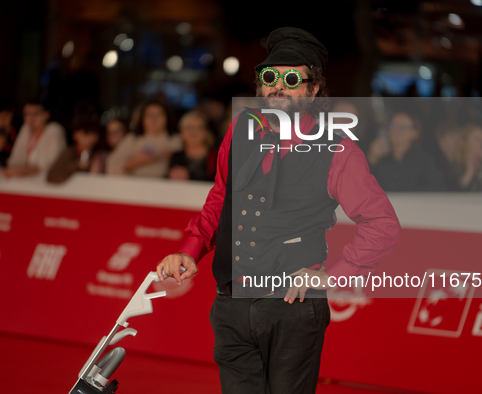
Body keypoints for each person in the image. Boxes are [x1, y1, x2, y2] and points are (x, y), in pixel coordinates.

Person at [156, 27, 401, 394]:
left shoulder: (338, 150)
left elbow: (383, 224)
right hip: (231, 305)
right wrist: (191, 250)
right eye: (269, 77)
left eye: (291, 78)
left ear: (314, 89)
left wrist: (333, 275)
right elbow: (221, 197)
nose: (277, 87)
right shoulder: (241, 128)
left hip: (293, 309)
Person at [367, 111, 446, 191]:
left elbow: (437, 187)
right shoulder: (380, 159)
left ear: (415, 133)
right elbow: (363, 186)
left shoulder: (423, 160)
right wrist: (372, 158)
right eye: (393, 125)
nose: (396, 130)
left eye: (402, 127)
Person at [106, 100, 181, 177]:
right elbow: (112, 167)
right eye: (150, 115)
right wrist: (135, 162)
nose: (154, 119)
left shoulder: (177, 140)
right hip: (135, 185)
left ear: (167, 117)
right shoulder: (132, 139)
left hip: (167, 186)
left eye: (159, 114)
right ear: (142, 118)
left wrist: (173, 160)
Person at [2, 99, 66, 178]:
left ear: (46, 114)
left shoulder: (54, 130)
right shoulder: (25, 129)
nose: (31, 118)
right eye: (27, 114)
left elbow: (51, 165)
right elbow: (15, 159)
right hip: (28, 185)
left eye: (36, 114)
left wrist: (22, 170)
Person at [449, 123, 482, 192]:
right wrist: (469, 173)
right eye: (477, 139)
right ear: (463, 142)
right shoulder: (453, 167)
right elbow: (453, 195)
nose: (481, 144)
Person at [167, 111, 217, 182]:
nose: (193, 132)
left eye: (198, 128)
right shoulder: (176, 157)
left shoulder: (217, 156)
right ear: (182, 132)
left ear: (205, 132)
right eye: (189, 128)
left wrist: (188, 177)